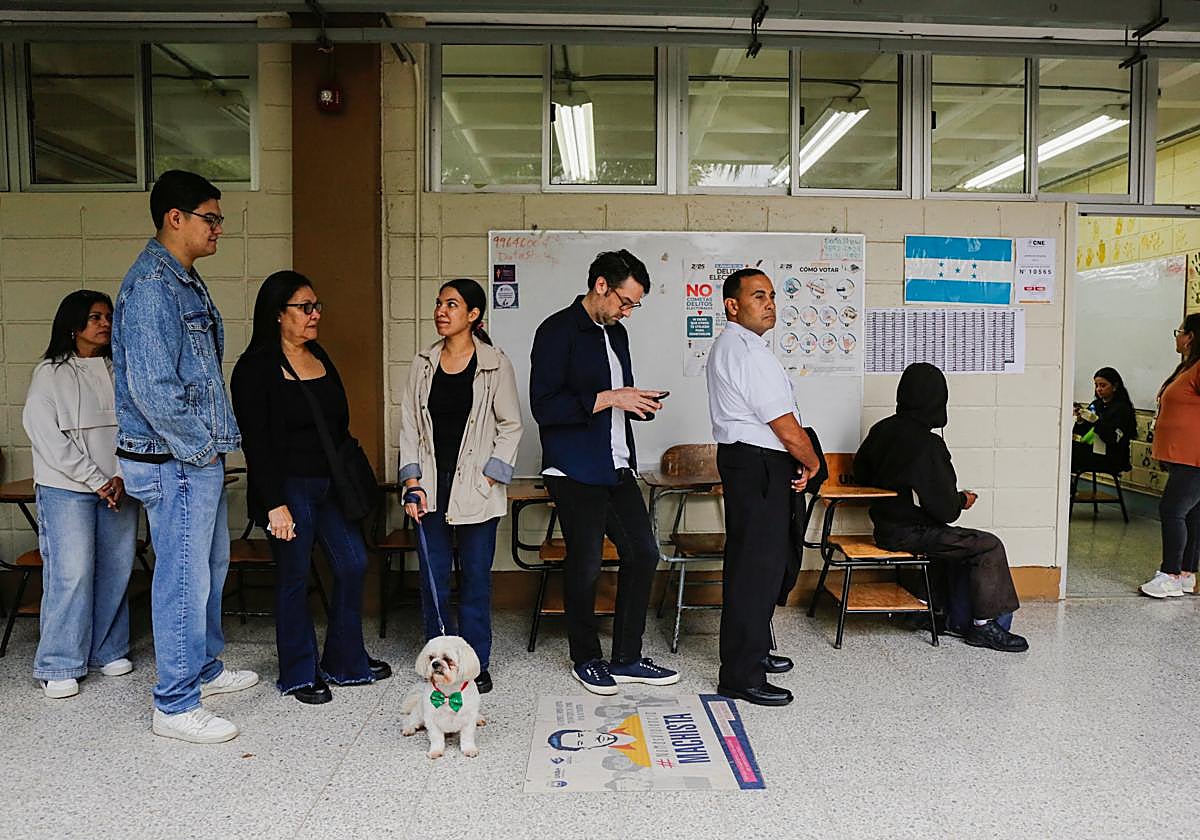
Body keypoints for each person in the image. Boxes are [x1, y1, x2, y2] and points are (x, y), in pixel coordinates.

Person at [112, 170, 257, 744]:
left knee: (209, 568)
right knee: (182, 578)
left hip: (192, 458)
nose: (219, 228)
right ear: (176, 218)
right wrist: (200, 451)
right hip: (174, 460)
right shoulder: (153, 286)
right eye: (210, 218)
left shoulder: (184, 280)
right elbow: (153, 388)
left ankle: (202, 669)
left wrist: (208, 451)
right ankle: (174, 703)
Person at [231, 271, 392, 703]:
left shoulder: (318, 355)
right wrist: (273, 503)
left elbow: (337, 426)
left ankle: (345, 661)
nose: (315, 314)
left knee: (353, 562)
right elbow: (256, 443)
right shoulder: (255, 368)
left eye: (316, 306)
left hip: (331, 484)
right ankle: (299, 673)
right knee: (294, 574)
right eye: (305, 307)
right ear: (277, 314)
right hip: (288, 487)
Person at [529, 249, 679, 695]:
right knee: (587, 563)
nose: (627, 311)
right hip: (572, 466)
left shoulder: (617, 334)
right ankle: (586, 659)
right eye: (625, 301)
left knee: (643, 553)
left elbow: (614, 399)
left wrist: (637, 405)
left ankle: (627, 658)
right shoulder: (556, 330)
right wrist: (612, 398)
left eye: (634, 305)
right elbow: (544, 407)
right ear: (600, 286)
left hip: (615, 462)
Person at [397, 278, 523, 696]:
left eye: (452, 305)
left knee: (474, 579)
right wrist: (412, 482)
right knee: (434, 580)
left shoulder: (494, 364)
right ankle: (438, 664)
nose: (441, 311)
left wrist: (490, 476)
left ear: (473, 315)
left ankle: (474, 664)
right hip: (430, 486)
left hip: (476, 487)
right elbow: (410, 426)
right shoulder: (423, 363)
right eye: (439, 303)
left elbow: (511, 425)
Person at [854, 362, 1028, 652]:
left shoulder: (881, 430)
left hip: (884, 529)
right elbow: (946, 510)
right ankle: (983, 626)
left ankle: (927, 607)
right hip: (912, 534)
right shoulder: (928, 444)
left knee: (947, 542)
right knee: (988, 545)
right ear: (938, 400)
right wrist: (962, 500)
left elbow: (861, 474)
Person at [706, 269, 821, 707]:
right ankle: (741, 675)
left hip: (751, 463)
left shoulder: (741, 347)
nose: (770, 303)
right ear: (732, 305)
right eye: (758, 296)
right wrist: (811, 461)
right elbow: (784, 425)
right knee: (756, 570)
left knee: (759, 566)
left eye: (772, 295)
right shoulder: (746, 352)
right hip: (758, 464)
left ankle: (753, 651)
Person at [23, 291, 140, 700]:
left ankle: (108, 649)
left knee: (116, 567)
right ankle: (58, 663)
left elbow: (134, 428)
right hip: (66, 487)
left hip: (118, 485)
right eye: (95, 317)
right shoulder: (49, 373)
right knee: (71, 572)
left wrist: (121, 475)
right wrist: (96, 479)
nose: (105, 324)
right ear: (73, 325)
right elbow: (45, 436)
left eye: (108, 316)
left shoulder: (120, 370)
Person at [1139, 314, 1200, 598]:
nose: (1177, 336)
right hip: (1182, 455)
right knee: (1192, 513)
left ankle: (1170, 574)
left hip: (1194, 456)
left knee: (1172, 510)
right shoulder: (1188, 367)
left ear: (1191, 336)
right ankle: (1186, 574)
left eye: (1180, 331)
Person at [1071, 366, 1137, 477]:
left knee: (1070, 454)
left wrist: (1096, 421)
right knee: (1067, 449)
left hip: (1113, 457)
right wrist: (1080, 421)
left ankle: (1067, 487)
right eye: (1096, 385)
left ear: (1114, 387)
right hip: (1095, 451)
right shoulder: (1096, 404)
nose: (1098, 389)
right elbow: (1083, 434)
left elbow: (1113, 438)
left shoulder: (1122, 409)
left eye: (1103, 385)